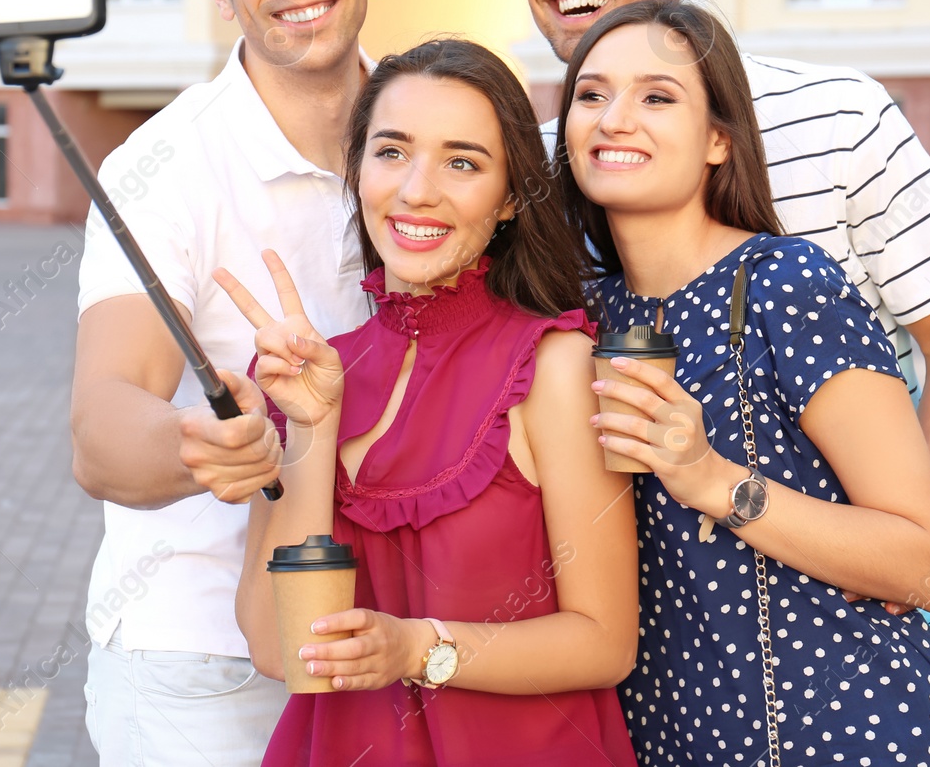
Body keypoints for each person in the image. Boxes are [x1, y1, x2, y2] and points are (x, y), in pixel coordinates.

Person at [520, 0, 930, 706]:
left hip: (855, 642)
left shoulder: (840, 112)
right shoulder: (552, 168)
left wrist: (889, 534)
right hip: (676, 656)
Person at [562, 0, 930, 765]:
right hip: (683, 734)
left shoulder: (784, 284)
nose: (614, 117)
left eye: (657, 96)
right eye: (591, 94)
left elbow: (927, 562)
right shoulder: (589, 312)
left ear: (719, 140)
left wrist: (714, 478)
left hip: (851, 731)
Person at [219, 40, 639, 766]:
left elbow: (604, 641)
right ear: (358, 173)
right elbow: (276, 646)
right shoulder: (309, 372)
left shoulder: (553, 365)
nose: (416, 190)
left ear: (511, 197)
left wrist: (419, 647)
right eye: (391, 152)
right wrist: (311, 427)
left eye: (462, 161)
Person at [69, 0, 382, 767]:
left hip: (385, 632)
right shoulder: (162, 166)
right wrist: (199, 443)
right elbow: (100, 423)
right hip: (204, 668)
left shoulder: (427, 130)